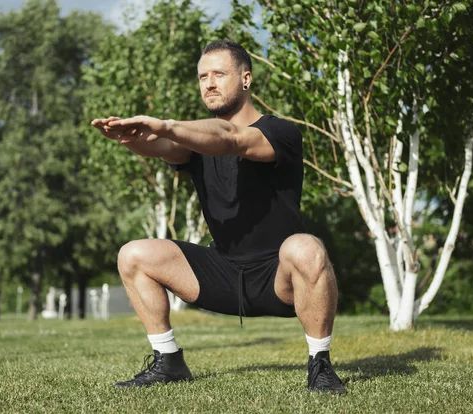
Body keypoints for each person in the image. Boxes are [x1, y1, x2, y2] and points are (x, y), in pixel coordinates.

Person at [91, 39, 346, 395]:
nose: (208, 83)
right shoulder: (197, 143)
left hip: (279, 279)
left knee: (306, 248)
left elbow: (232, 139)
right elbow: (165, 147)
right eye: (202, 77)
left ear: (245, 79)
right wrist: (128, 137)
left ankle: (320, 365)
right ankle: (169, 361)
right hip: (222, 273)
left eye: (219, 74)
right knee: (134, 254)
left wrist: (165, 124)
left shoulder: (281, 132)